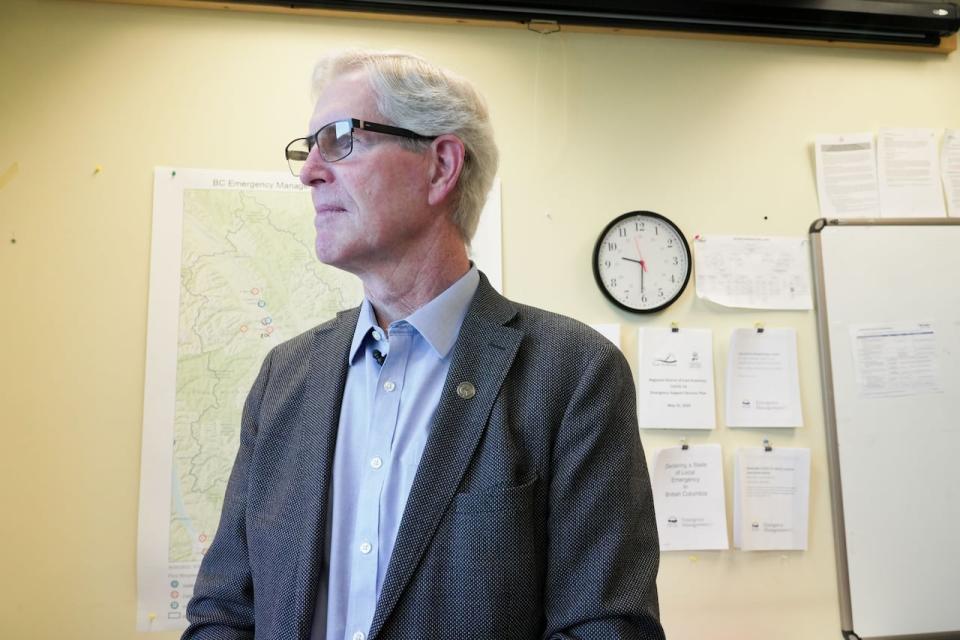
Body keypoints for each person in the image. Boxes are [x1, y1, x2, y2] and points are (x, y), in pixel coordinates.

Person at [183, 49, 665, 640]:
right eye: (306, 149)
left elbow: (606, 629)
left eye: (338, 140)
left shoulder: (574, 373)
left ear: (440, 166)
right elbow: (223, 614)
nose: (309, 171)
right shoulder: (285, 377)